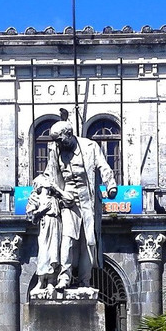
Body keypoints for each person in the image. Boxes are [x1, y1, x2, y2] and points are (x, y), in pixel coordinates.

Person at [43, 115, 117, 291]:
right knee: (67, 239)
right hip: (67, 200)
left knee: (87, 241)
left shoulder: (90, 146)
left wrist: (111, 185)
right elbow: (49, 173)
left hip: (88, 199)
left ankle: (85, 280)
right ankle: (65, 278)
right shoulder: (55, 151)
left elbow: (103, 167)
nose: (59, 144)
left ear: (69, 134)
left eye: (60, 140)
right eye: (56, 142)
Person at [25, 174, 62, 296]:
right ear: (39, 184)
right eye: (45, 179)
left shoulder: (54, 199)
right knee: (44, 252)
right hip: (44, 226)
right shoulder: (34, 198)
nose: (48, 180)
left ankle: (51, 281)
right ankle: (40, 282)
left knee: (54, 253)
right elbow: (30, 216)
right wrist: (42, 210)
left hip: (56, 225)